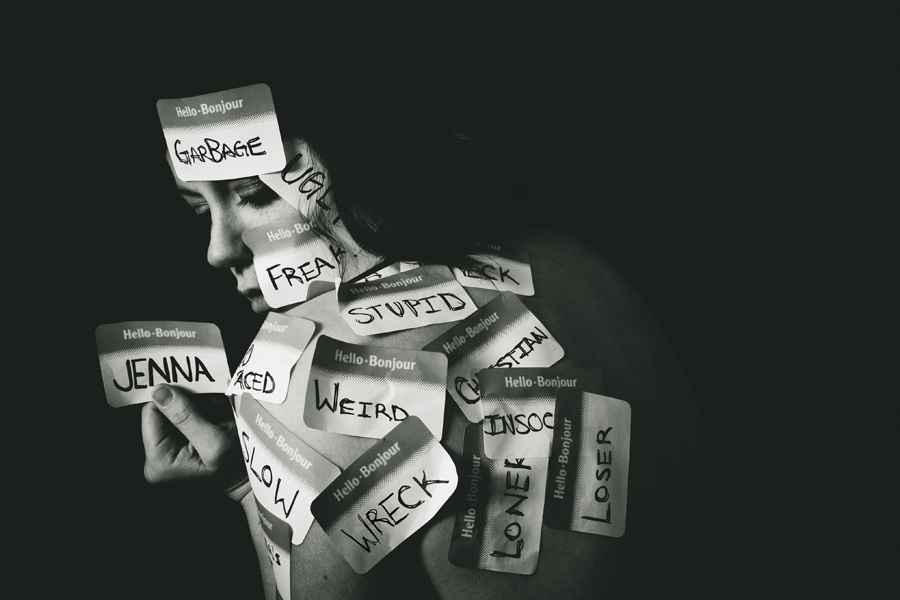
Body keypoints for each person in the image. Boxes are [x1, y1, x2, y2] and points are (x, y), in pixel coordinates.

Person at [140, 97, 734, 598]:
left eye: (253, 194)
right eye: (199, 208)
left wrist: (251, 492)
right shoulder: (576, 261)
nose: (218, 249)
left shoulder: (296, 373)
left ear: (356, 147)